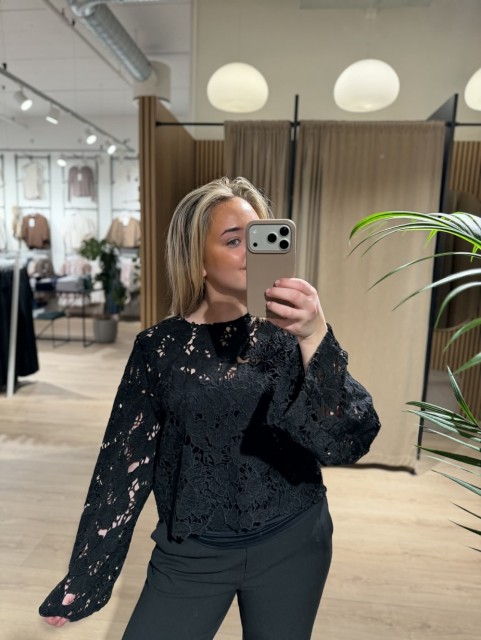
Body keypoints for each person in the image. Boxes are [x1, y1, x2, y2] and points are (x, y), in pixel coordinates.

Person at [39, 176, 381, 639]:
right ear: (197, 259)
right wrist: (87, 574)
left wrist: (316, 335)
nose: (251, 252)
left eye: (258, 239)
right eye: (234, 240)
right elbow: (124, 465)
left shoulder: (291, 336)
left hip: (294, 540)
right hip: (192, 554)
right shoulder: (158, 349)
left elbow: (343, 441)